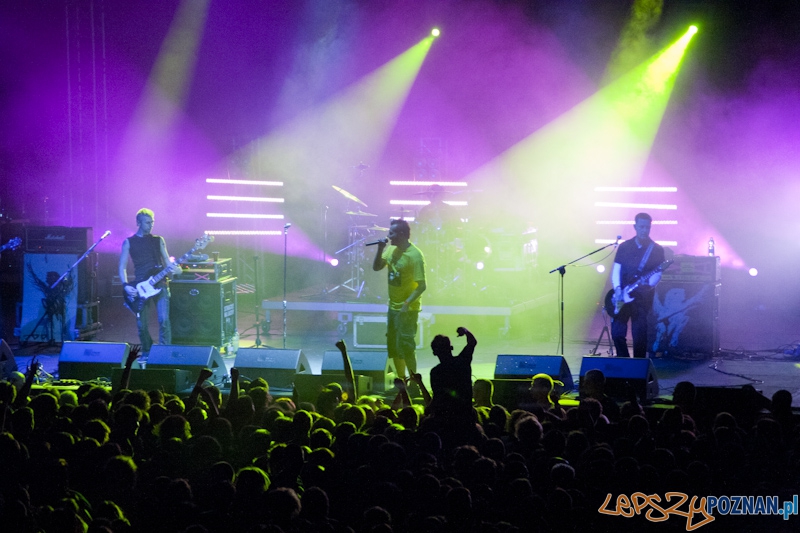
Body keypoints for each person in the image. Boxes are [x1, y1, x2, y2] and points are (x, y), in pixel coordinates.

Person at [118, 208, 181, 358]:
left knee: (163, 320)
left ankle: (165, 353)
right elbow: (122, 267)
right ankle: (148, 352)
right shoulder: (129, 242)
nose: (151, 225)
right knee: (141, 325)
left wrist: (175, 269)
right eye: (147, 222)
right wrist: (125, 286)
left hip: (160, 283)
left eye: (152, 222)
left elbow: (166, 261)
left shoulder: (158, 240)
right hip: (141, 287)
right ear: (138, 223)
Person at [372, 219, 426, 379]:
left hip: (407, 309)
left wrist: (406, 304)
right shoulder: (391, 250)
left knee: (407, 346)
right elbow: (376, 267)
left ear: (402, 235)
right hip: (393, 308)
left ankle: (415, 382)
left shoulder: (415, 255)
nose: (388, 236)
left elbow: (422, 286)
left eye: (392, 233)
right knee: (394, 347)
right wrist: (380, 248)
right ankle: (402, 382)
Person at [610, 212, 665, 358]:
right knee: (616, 333)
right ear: (635, 227)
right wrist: (617, 289)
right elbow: (616, 269)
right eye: (641, 227)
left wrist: (648, 284)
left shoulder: (657, 250)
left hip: (642, 298)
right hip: (622, 295)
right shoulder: (624, 247)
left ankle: (638, 367)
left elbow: (658, 273)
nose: (644, 230)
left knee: (639, 336)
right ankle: (625, 361)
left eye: (647, 227)